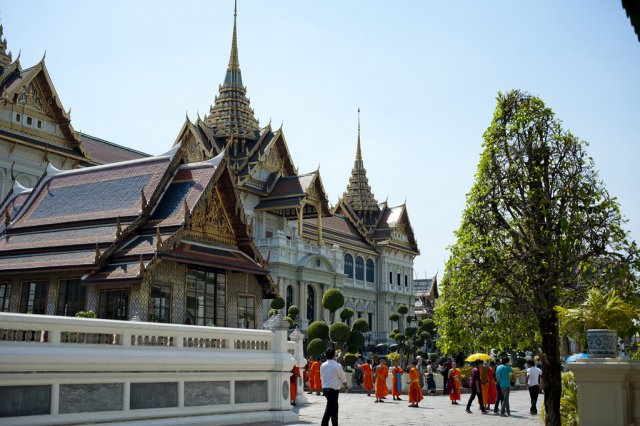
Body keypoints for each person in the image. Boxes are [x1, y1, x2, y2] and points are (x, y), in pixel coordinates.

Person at [320, 348, 348, 426]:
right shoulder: (337, 365)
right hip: (333, 390)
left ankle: (333, 424)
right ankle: (325, 424)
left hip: (325, 389)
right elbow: (343, 377)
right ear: (334, 355)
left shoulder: (323, 365)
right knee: (330, 409)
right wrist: (346, 386)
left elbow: (321, 377)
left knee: (333, 408)